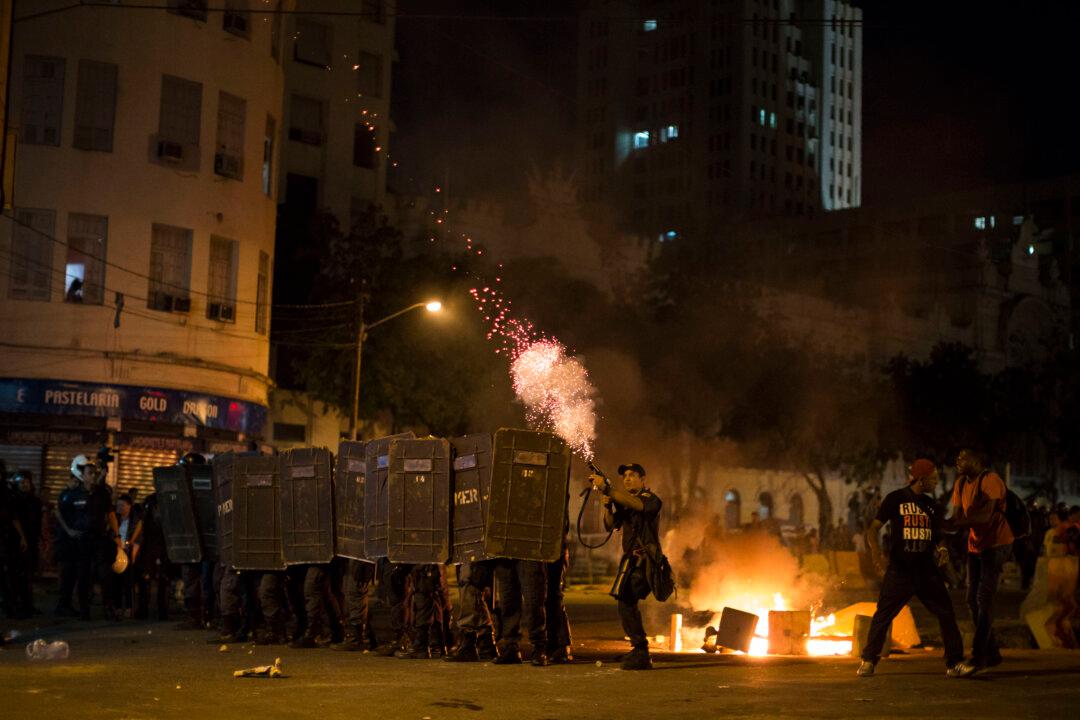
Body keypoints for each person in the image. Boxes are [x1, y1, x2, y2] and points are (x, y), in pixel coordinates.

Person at [856, 459, 967, 677]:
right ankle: (868, 660)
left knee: (946, 614)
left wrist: (943, 550)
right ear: (922, 479)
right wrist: (876, 553)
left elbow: (938, 537)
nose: (936, 483)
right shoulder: (895, 499)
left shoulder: (932, 505)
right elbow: (873, 528)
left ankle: (954, 663)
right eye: (933, 478)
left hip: (927, 572)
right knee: (884, 615)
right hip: (900, 571)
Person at [947, 449, 1014, 676]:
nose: (958, 460)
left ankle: (979, 657)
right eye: (958, 457)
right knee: (971, 599)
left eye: (964, 457)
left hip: (997, 544)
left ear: (977, 460)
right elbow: (956, 517)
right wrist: (941, 524)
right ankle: (992, 652)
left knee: (983, 598)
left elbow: (984, 516)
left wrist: (953, 524)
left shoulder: (991, 480)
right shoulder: (960, 484)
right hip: (976, 546)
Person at [591, 462, 663, 671]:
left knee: (626, 600)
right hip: (631, 560)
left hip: (645, 561)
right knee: (626, 602)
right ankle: (639, 648)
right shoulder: (625, 502)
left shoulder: (651, 500)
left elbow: (638, 506)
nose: (627, 479)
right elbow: (610, 524)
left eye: (632, 475)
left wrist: (609, 489)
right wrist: (606, 504)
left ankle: (641, 650)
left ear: (643, 479)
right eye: (625, 476)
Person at [54, 456, 95, 618]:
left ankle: (75, 607)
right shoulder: (69, 494)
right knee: (69, 576)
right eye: (88, 471)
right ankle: (64, 605)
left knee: (82, 576)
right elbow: (58, 513)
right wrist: (69, 531)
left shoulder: (87, 492)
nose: (91, 475)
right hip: (69, 543)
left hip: (83, 542)